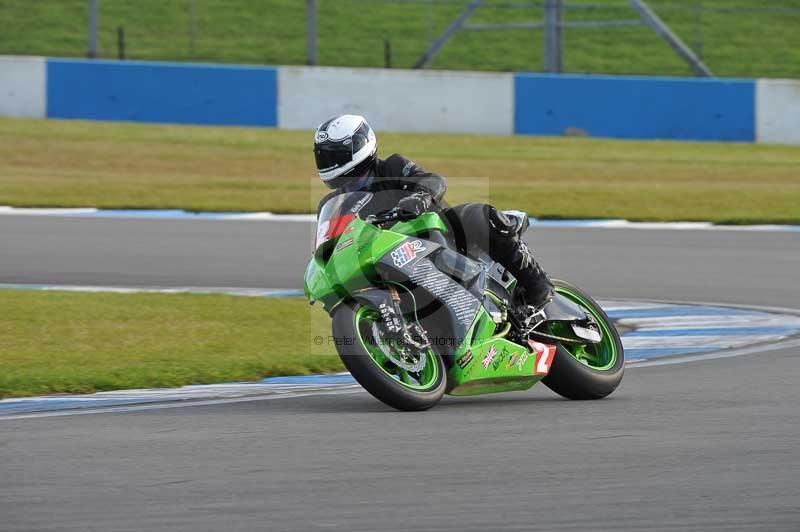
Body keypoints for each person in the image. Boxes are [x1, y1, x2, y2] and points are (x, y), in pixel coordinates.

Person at [313, 114, 553, 311]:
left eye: (334, 155)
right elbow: (332, 244)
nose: (327, 162)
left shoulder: (392, 167)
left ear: (360, 145)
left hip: (436, 238)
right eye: (323, 155)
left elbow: (433, 180)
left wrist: (420, 197)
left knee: (477, 215)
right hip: (383, 261)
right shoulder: (333, 203)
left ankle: (537, 285)